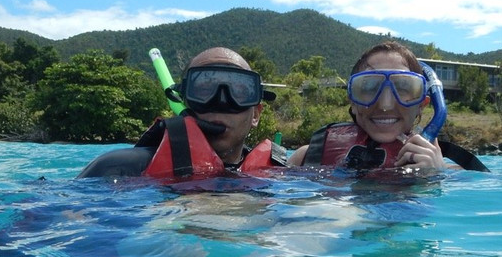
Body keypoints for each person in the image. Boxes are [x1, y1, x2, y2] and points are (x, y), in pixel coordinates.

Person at [78, 47, 287, 179]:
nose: (221, 103)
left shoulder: (281, 176)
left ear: (256, 114)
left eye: (239, 92)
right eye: (204, 90)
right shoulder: (121, 169)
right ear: (183, 101)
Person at [289, 41, 469, 171]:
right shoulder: (306, 158)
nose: (385, 104)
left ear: (422, 104)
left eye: (404, 88)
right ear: (352, 101)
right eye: (368, 87)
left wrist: (435, 177)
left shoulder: (451, 173)